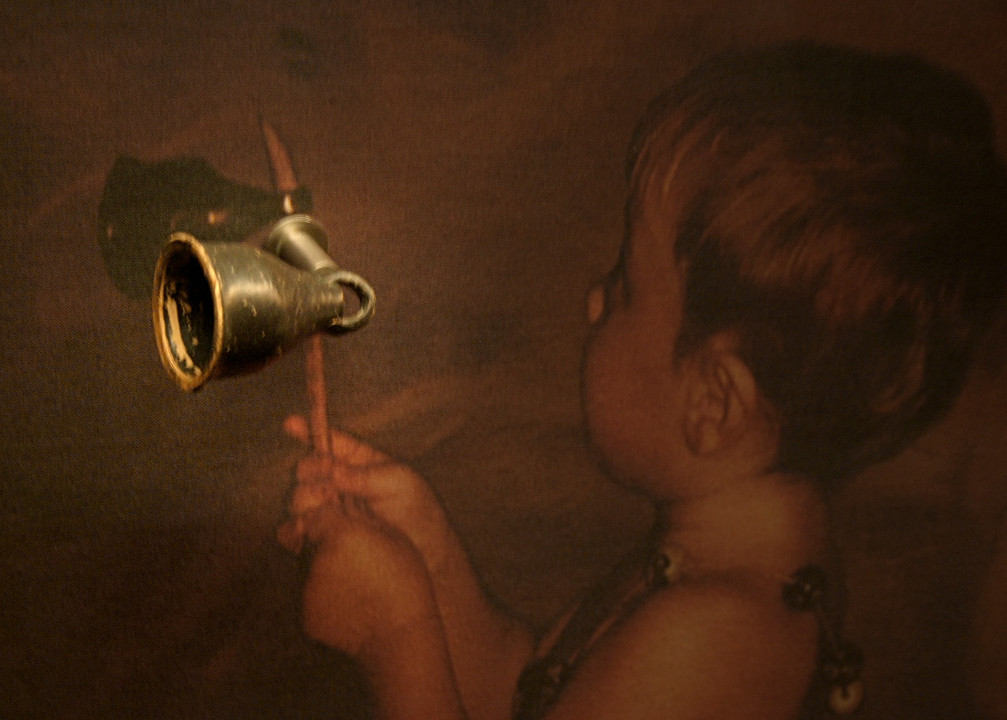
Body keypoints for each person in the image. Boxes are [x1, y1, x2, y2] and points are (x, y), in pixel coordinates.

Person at [276, 43, 1007, 720]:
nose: (594, 301)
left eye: (624, 286)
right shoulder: (726, 562)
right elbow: (531, 691)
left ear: (712, 403)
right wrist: (431, 561)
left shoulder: (712, 638)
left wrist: (396, 638)